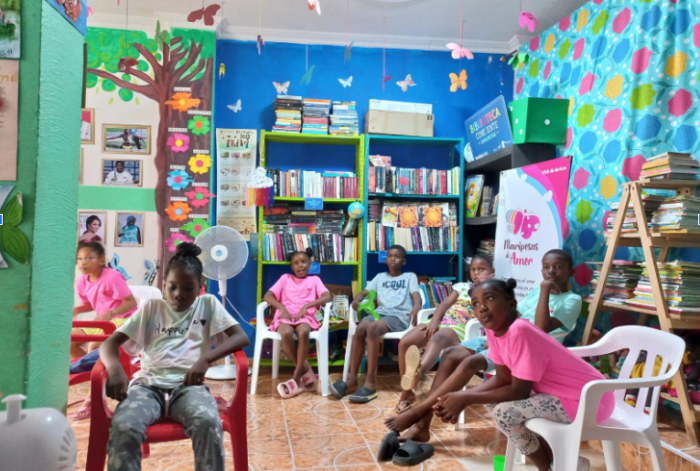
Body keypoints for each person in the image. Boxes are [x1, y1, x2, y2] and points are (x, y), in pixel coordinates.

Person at [384, 249, 583, 443]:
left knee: (469, 363)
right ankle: (422, 421)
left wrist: (545, 291)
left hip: (527, 348)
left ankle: (420, 418)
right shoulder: (535, 292)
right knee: (451, 354)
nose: (551, 272)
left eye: (558, 267)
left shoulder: (572, 300)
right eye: (546, 267)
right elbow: (515, 315)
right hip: (508, 338)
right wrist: (498, 335)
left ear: (570, 272)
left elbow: (539, 329)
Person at [429, 279, 613, 471]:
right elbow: (502, 379)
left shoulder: (520, 330)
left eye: (489, 298)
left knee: (505, 413)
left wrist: (465, 397)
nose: (482, 308)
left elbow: (519, 391)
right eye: (475, 303)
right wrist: (460, 397)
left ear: (512, 305)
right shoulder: (494, 332)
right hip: (565, 395)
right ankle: (566, 462)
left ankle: (547, 469)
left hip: (589, 400)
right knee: (494, 402)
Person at [100, 242, 249, 471]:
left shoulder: (207, 304)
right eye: (172, 287)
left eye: (188, 288)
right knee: (125, 425)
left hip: (189, 387)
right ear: (164, 284)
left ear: (201, 286)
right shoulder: (152, 308)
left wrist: (206, 359)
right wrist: (114, 368)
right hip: (147, 386)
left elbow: (241, 337)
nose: (179, 295)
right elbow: (110, 343)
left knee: (208, 423)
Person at [393, 255, 494, 413]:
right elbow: (444, 304)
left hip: (462, 328)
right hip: (441, 322)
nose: (476, 273)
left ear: (492, 272)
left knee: (438, 338)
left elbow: (489, 315)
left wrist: (486, 287)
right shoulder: (461, 287)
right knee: (405, 342)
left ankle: (419, 372)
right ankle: (407, 393)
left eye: (481, 269)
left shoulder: (493, 292)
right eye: (473, 269)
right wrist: (434, 321)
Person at [330, 245, 422, 404]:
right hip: (379, 313)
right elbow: (364, 292)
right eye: (390, 256)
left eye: (398, 256)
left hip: (399, 316)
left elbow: (416, 296)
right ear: (386, 259)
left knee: (372, 328)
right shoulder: (380, 277)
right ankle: (352, 380)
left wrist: (416, 307)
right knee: (360, 328)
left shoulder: (409, 277)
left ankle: (370, 382)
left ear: (404, 261)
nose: (393, 259)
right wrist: (357, 299)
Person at [70, 242, 138, 420]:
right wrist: (76, 310)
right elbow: (89, 304)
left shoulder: (112, 277)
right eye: (79, 259)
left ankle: (92, 399)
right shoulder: (81, 281)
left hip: (123, 319)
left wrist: (111, 313)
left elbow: (132, 302)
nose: (83, 262)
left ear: (101, 260)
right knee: (71, 341)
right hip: (102, 320)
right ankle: (97, 376)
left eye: (89, 258)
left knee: (95, 344)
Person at [263, 248, 332, 398]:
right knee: (286, 332)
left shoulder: (314, 280)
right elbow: (267, 296)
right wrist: (281, 307)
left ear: (309, 264)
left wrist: (307, 306)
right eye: (296, 263)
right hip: (285, 317)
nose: (300, 265)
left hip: (306, 317)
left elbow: (327, 296)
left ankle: (296, 375)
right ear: (292, 266)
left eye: (303, 262)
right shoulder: (285, 278)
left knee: (304, 331)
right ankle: (303, 368)